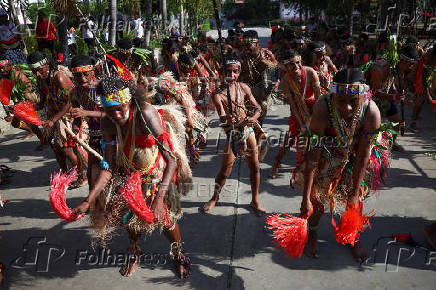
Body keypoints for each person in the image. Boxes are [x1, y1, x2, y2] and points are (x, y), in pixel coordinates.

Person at [72, 76, 192, 278]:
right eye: (110, 111)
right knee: (129, 219)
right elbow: (108, 167)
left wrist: (160, 199)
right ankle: (134, 250)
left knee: (166, 221)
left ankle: (179, 254)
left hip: (155, 173)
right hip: (129, 173)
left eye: (120, 109)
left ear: (128, 100)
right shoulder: (108, 123)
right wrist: (88, 200)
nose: (116, 115)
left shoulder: (146, 114)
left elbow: (171, 160)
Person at [293, 68, 393, 261]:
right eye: (340, 101)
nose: (347, 108)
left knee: (355, 202)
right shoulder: (323, 107)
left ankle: (352, 237)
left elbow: (364, 155)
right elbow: (313, 156)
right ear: (333, 96)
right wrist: (305, 197)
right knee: (317, 201)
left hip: (356, 156)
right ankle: (312, 233)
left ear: (362, 97)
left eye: (353, 102)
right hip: (326, 155)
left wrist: (355, 193)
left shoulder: (371, 111)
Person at [202, 54, 266, 216]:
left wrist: (253, 118)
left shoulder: (244, 88)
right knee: (225, 171)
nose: (231, 75)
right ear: (222, 73)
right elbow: (222, 118)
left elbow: (258, 107)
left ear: (239, 72)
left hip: (248, 131)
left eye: (235, 71)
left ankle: (255, 200)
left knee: (255, 167)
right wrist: (228, 119)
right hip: (233, 133)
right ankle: (214, 198)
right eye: (228, 72)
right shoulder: (217, 94)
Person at [28, 52, 87, 187]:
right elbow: (42, 102)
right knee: (56, 148)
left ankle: (82, 176)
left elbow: (72, 100)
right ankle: (66, 174)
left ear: (46, 64)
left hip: (68, 116)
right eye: (33, 71)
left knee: (67, 149)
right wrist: (24, 109)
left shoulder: (59, 77)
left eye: (38, 70)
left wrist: (54, 119)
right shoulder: (40, 79)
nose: (37, 74)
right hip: (53, 117)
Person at [269, 49, 321, 179]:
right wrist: (302, 124)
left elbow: (319, 97)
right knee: (291, 138)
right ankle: (277, 163)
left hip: (316, 108)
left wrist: (315, 117)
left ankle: (320, 167)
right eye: (292, 64)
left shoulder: (310, 72)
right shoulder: (286, 81)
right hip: (298, 110)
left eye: (298, 63)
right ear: (286, 67)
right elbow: (292, 105)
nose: (297, 67)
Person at [69, 55, 104, 188]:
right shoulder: (75, 93)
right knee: (90, 175)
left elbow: (112, 115)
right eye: (78, 76)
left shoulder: (103, 89)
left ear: (92, 72)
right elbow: (78, 118)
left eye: (86, 74)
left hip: (112, 136)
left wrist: (86, 113)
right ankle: (93, 205)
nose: (82, 79)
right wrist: (75, 128)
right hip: (94, 137)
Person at [0, 55, 42, 140]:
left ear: (9, 66)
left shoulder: (18, 74)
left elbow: (28, 90)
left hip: (28, 100)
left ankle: (43, 140)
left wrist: (18, 108)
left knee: (31, 123)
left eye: (3, 68)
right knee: (15, 123)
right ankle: (33, 132)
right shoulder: (5, 76)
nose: (1, 70)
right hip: (19, 102)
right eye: (0, 68)